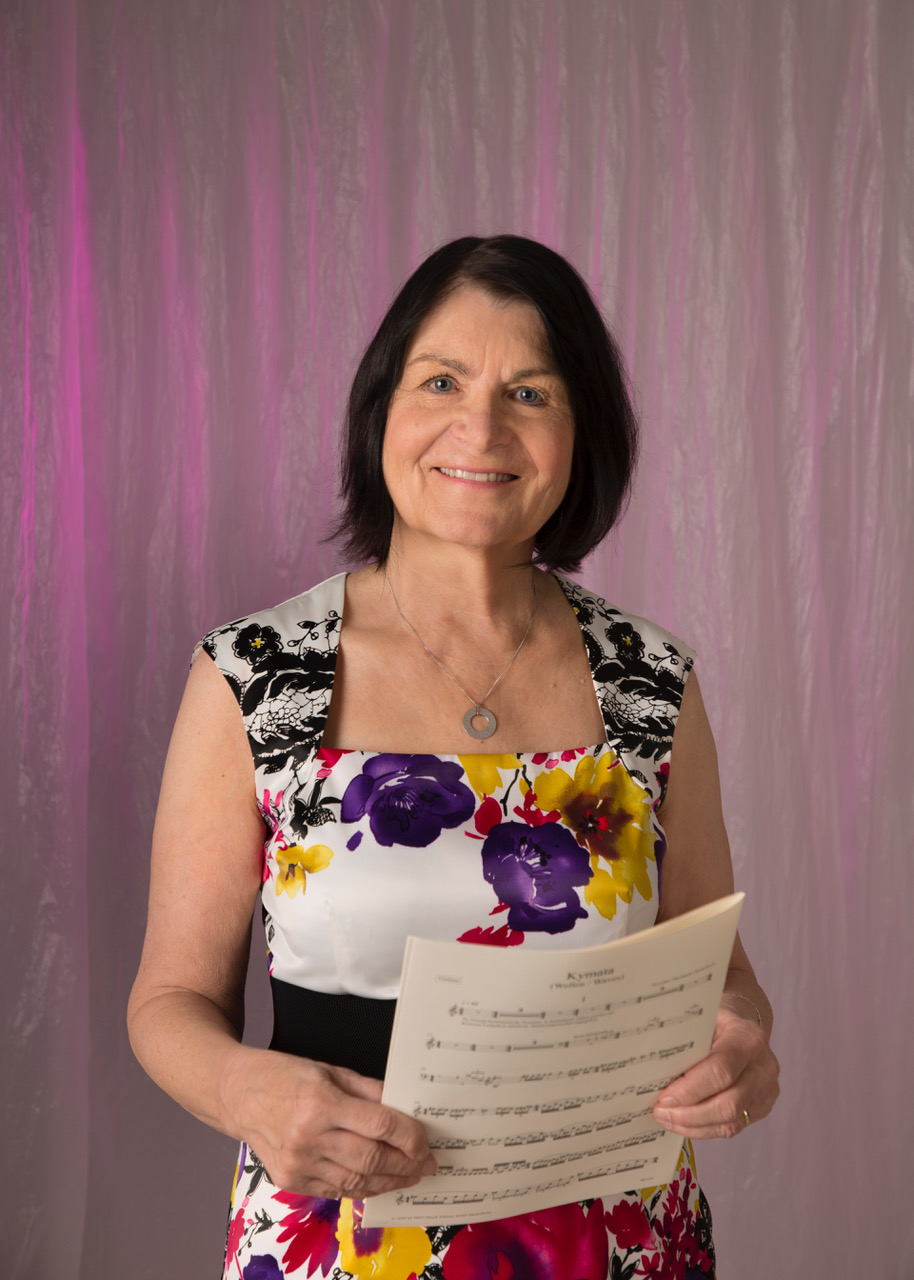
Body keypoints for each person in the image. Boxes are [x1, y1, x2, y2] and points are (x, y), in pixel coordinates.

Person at [128, 234, 779, 1279]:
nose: (480, 426)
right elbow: (168, 1002)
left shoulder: (650, 680)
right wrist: (249, 1093)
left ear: (578, 435)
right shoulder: (255, 674)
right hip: (340, 1239)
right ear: (382, 407)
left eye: (529, 391)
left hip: (616, 1239)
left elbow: (722, 974)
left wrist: (738, 1043)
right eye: (441, 380)